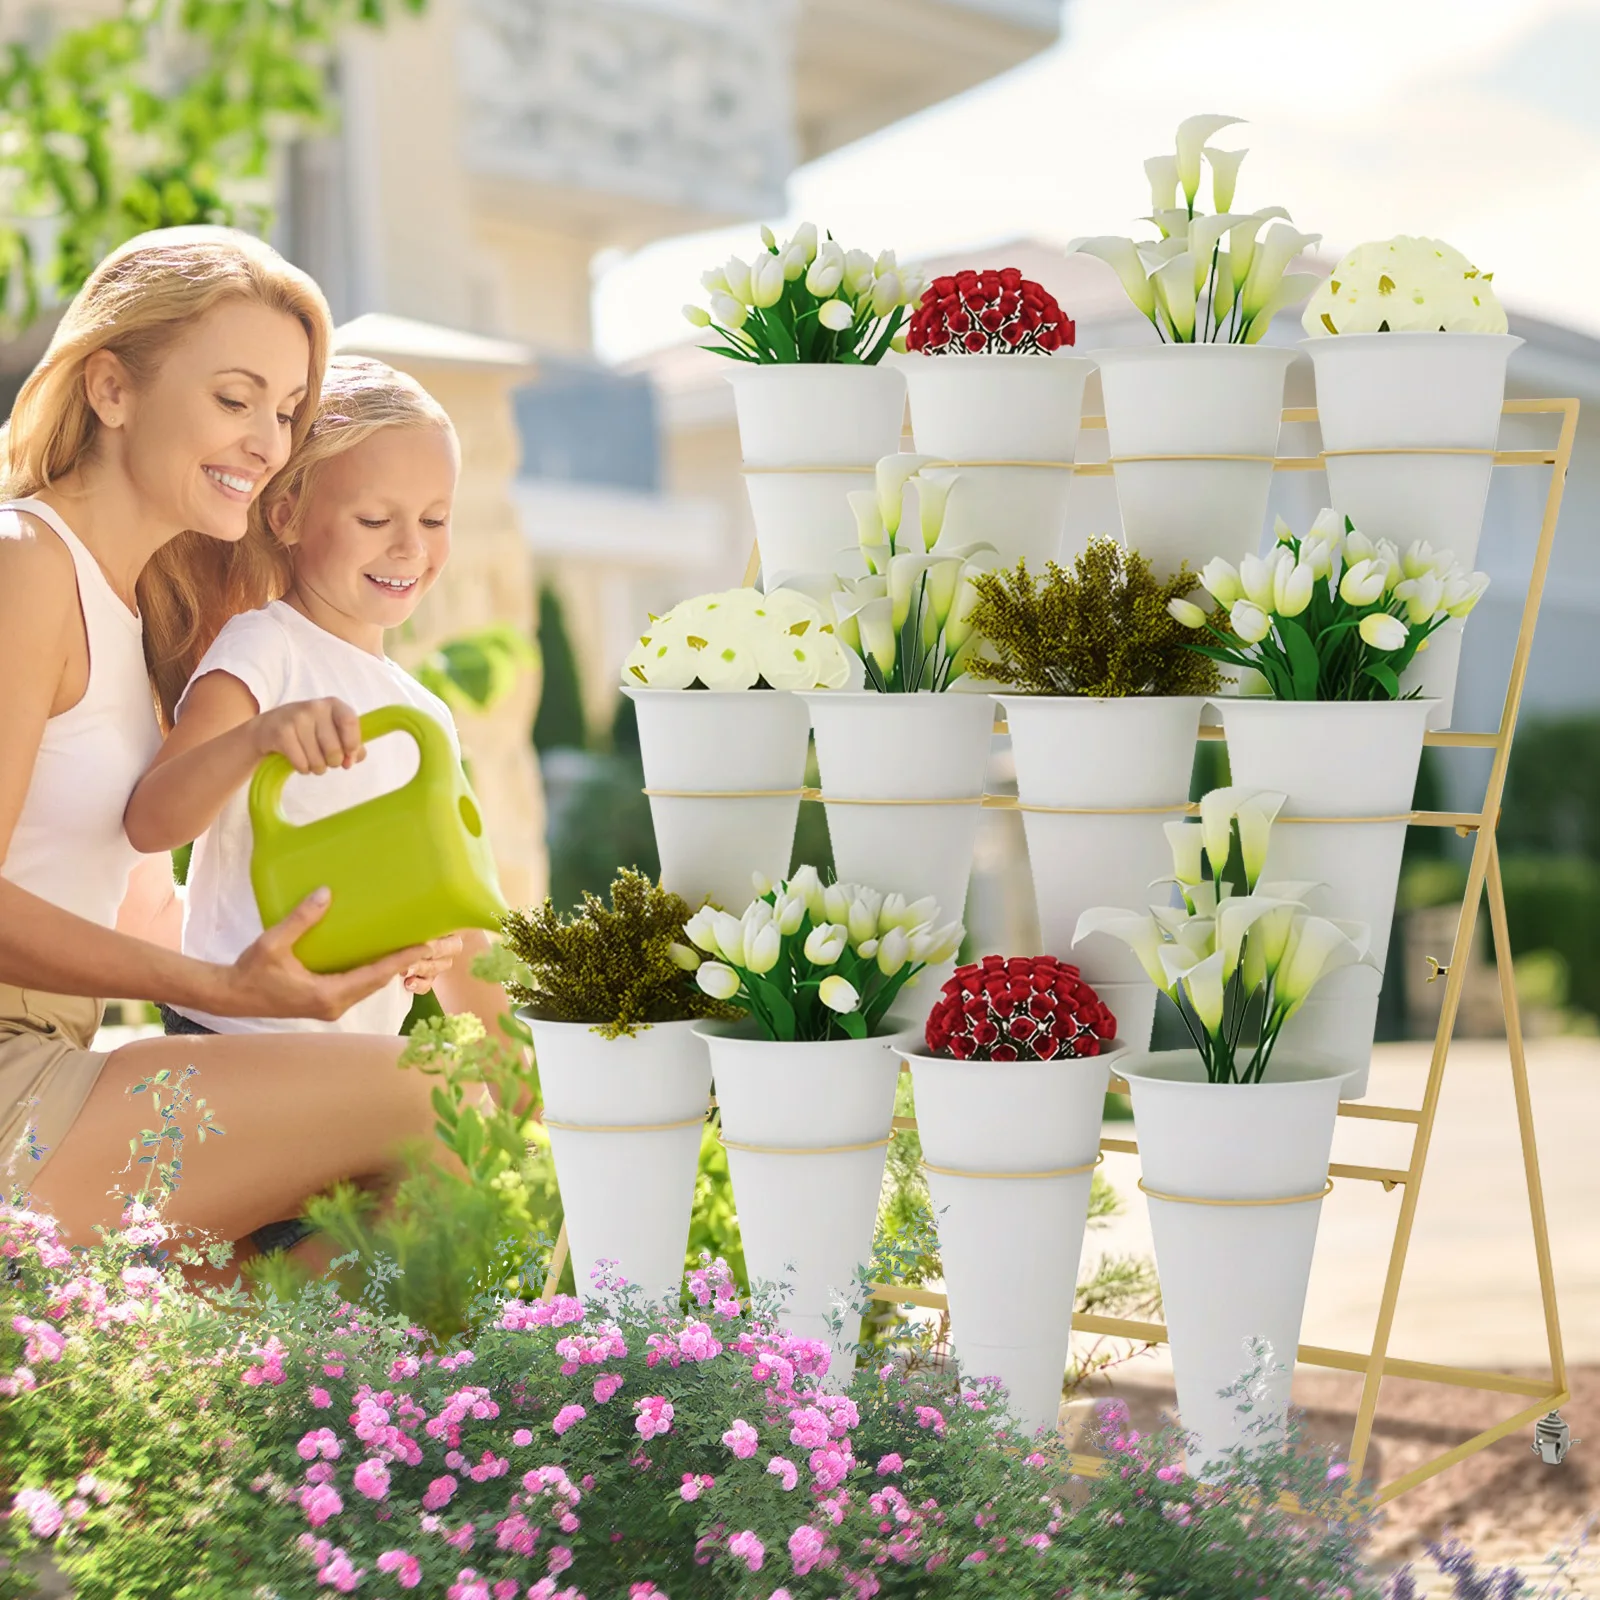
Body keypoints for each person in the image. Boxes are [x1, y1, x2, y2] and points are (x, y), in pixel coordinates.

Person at [0, 227, 463, 1263]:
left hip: (56, 1059)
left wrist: (364, 949)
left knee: (345, 1235)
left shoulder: (141, 618)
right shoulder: (22, 562)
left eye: (289, 411)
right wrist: (224, 995)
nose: (267, 439)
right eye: (234, 398)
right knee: (423, 1107)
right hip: (13, 1086)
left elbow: (141, 906)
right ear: (112, 388)